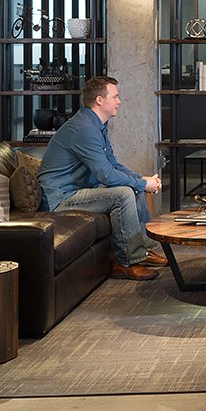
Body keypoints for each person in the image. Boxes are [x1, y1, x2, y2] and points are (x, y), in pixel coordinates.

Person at [38, 76, 167, 281]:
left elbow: (112, 165)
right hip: (61, 198)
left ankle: (142, 250)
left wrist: (140, 179)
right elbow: (105, 174)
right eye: (115, 96)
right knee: (123, 193)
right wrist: (143, 183)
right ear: (99, 100)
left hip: (77, 190)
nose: (119, 101)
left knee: (131, 186)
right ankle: (128, 262)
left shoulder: (96, 125)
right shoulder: (84, 128)